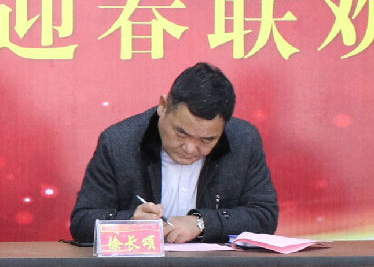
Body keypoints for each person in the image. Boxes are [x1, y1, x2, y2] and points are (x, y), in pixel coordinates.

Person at [69, 62, 279, 245]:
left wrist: (201, 222)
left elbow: (264, 216)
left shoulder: (243, 141)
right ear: (163, 106)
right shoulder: (119, 143)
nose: (190, 148)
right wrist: (130, 222)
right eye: (181, 133)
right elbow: (83, 222)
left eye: (206, 140)